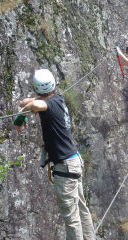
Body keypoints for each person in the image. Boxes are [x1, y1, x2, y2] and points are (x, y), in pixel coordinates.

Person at [13, 69, 95, 240]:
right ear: (54, 85)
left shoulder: (46, 104)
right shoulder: (58, 99)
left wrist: (21, 117)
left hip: (65, 165)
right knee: (81, 208)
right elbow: (25, 102)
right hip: (73, 160)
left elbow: (35, 105)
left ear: (36, 89)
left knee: (71, 217)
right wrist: (23, 110)